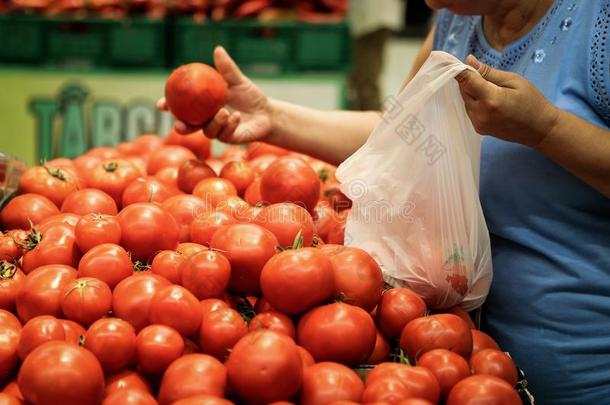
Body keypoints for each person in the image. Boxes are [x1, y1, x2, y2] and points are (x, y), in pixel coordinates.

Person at [158, 1, 610, 402]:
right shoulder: (456, 14)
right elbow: (402, 136)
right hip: (463, 355)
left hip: (583, 368)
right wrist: (272, 118)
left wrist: (547, 129)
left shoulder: (598, 23)